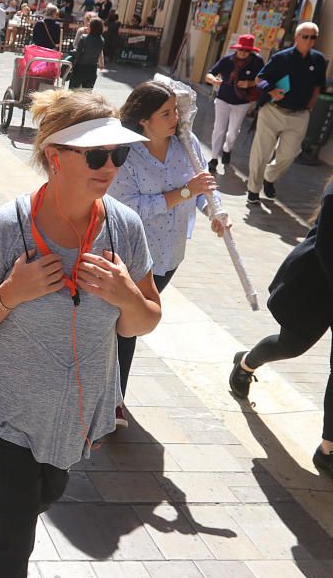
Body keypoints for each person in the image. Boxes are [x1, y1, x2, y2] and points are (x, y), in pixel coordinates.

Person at [0, 89, 160, 575]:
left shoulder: (125, 228)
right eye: (96, 154)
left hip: (71, 419)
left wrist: (127, 295)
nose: (110, 166)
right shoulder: (7, 228)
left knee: (34, 502)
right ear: (55, 157)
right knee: (6, 541)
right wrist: (10, 294)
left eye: (118, 153)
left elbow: (144, 319)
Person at [109, 81, 230, 426]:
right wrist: (182, 193)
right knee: (125, 325)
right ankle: (114, 399)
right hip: (131, 255)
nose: (175, 118)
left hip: (168, 256)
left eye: (176, 110)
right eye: (166, 113)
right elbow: (127, 205)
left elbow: (203, 185)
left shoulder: (187, 144)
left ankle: (107, 390)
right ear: (144, 119)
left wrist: (216, 212)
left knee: (124, 324)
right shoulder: (126, 152)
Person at [228, 174, 333, 479]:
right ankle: (245, 364)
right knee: (290, 346)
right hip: (315, 285)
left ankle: (328, 449)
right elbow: (328, 251)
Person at [246, 22, 327, 203]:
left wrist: (311, 104)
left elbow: (318, 85)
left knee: (289, 154)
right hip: (273, 111)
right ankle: (253, 190)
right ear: (297, 38)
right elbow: (260, 78)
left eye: (313, 37)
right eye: (305, 36)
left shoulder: (319, 60)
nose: (309, 40)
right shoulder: (282, 58)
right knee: (262, 152)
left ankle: (270, 176)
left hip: (299, 114)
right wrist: (272, 91)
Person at [205, 34, 265, 173]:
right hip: (223, 99)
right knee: (219, 129)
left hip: (241, 102)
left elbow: (263, 80)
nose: (243, 52)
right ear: (237, 48)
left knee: (232, 132)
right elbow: (210, 73)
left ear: (251, 51)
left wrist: (249, 83)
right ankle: (214, 158)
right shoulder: (227, 60)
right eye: (241, 49)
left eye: (247, 50)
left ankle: (227, 149)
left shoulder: (257, 62)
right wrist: (213, 80)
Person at [68, 17, 105, 90]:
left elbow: (78, 54)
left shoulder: (84, 38)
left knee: (72, 91)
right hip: (92, 69)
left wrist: (72, 57)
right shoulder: (102, 40)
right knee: (87, 94)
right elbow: (99, 52)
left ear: (91, 27)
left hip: (80, 68)